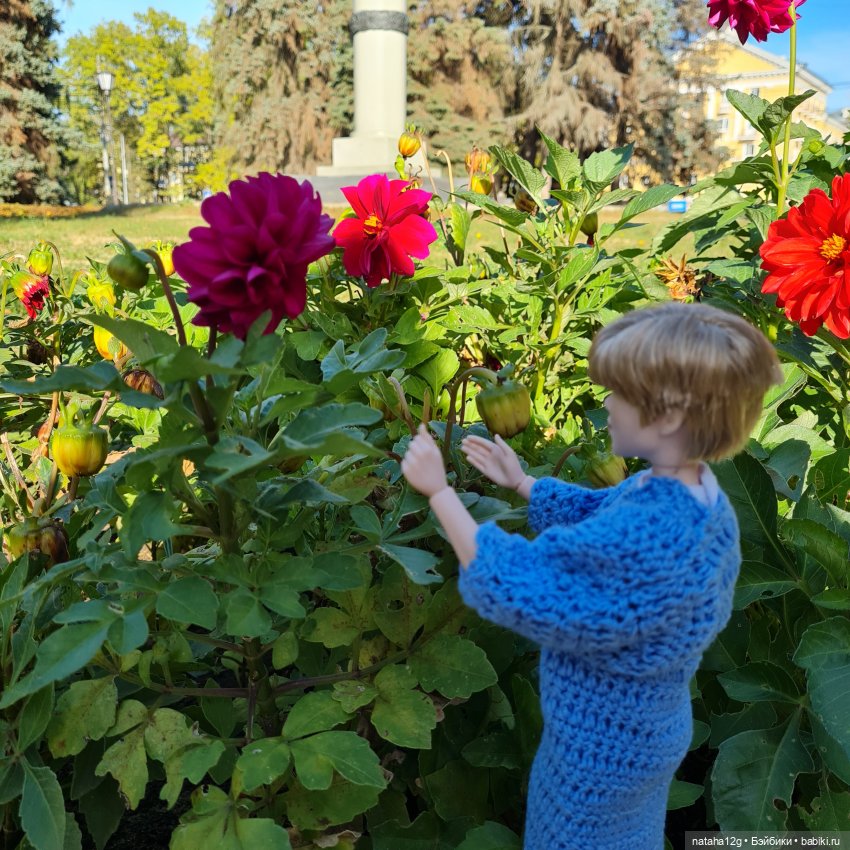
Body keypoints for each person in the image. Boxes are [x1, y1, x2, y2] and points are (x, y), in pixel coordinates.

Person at [400, 301, 783, 850]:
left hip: (602, 744)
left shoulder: (653, 535)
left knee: (570, 837)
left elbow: (522, 579)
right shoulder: (693, 495)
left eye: (620, 395)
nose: (607, 404)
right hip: (650, 724)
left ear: (669, 417)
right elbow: (604, 512)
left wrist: (438, 492)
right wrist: (524, 483)